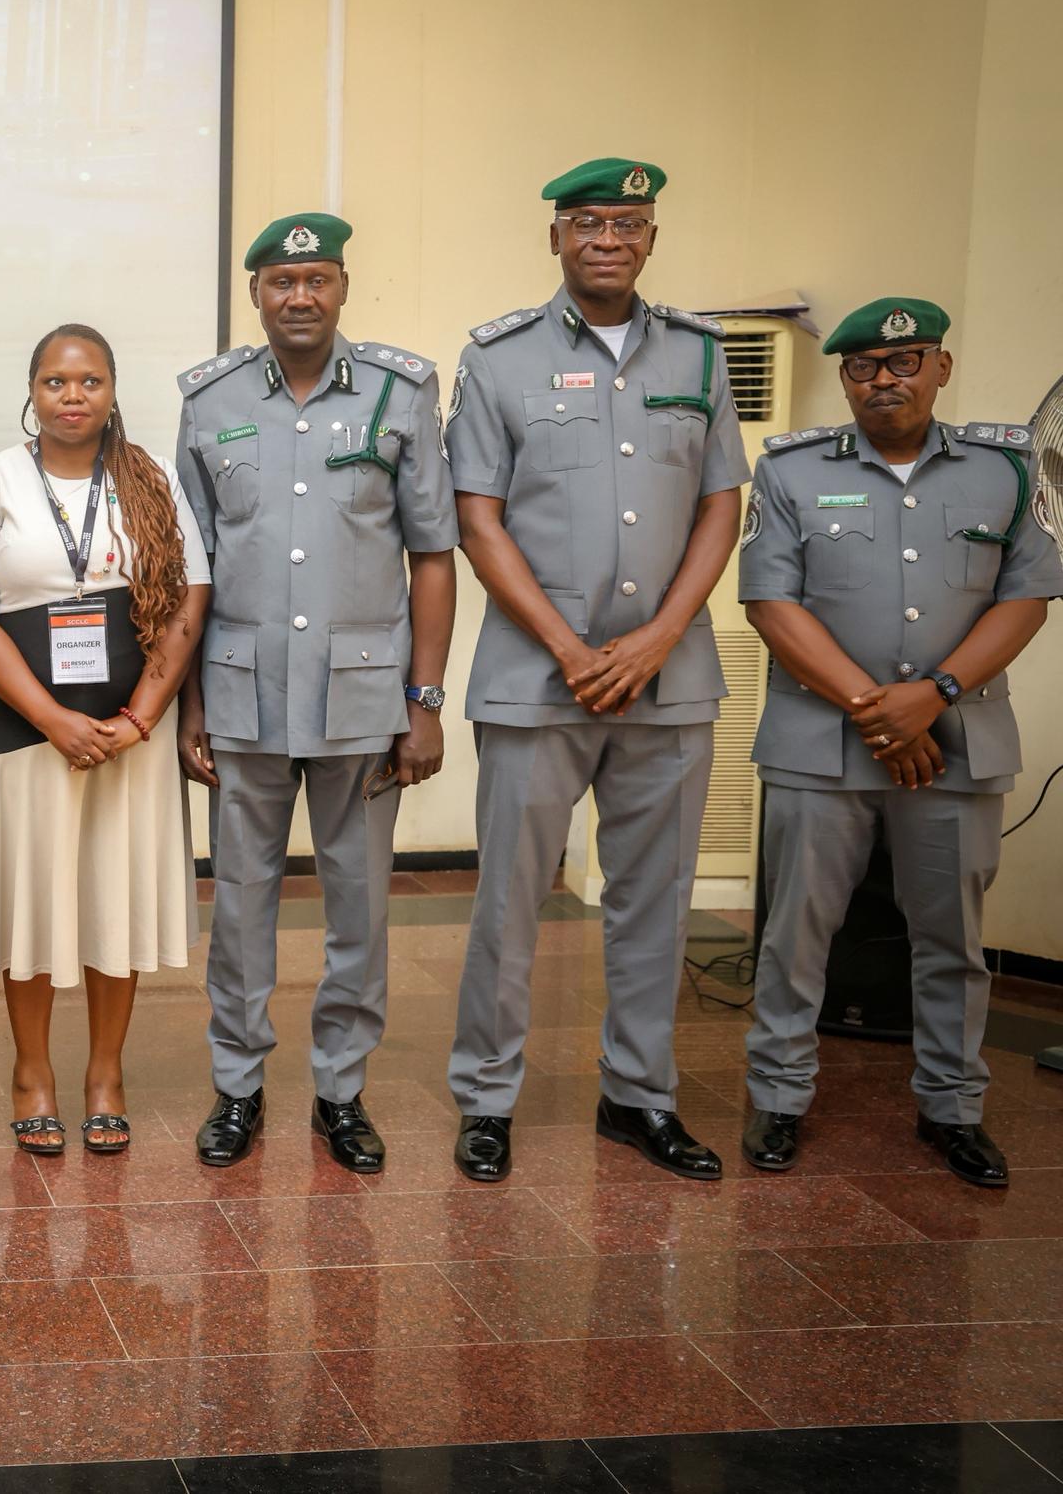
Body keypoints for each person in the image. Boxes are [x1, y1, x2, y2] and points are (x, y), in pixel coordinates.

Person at [443, 158, 747, 1184]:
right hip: (537, 678)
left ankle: (639, 1095)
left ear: (651, 236)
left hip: (669, 677)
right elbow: (476, 516)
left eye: (626, 222)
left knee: (655, 900)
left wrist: (661, 635)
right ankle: (487, 1098)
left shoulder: (700, 355)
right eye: (586, 223)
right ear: (556, 238)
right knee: (509, 900)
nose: (606, 239)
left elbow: (721, 504)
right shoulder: (497, 359)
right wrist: (570, 648)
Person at [736, 297, 1058, 1187]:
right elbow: (769, 602)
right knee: (796, 935)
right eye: (865, 367)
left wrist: (933, 696)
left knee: (952, 938)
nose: (885, 379)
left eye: (906, 361)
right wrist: (878, 712)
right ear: (845, 379)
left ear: (941, 368)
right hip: (818, 745)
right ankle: (778, 1099)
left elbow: (1027, 599)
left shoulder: (1007, 469)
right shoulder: (790, 471)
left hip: (956, 742)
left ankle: (953, 1109)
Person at [175, 214, 458, 1175]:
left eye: (318, 278)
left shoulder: (400, 392)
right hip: (242, 696)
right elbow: (191, 570)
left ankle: (341, 1091)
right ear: (255, 293)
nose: (300, 296)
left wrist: (425, 701)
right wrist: (191, 706)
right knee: (240, 907)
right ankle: (238, 1088)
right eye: (282, 281)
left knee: (359, 909)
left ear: (342, 287)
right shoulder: (209, 400)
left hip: (363, 703)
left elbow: (432, 554)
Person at [0, 325, 209, 1154]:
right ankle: (32, 1073)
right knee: (32, 899)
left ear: (113, 391)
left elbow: (189, 601)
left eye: (90, 380)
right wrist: (52, 719)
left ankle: (104, 1074)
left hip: (132, 736)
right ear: (33, 391)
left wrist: (140, 719)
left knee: (113, 897)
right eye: (55, 381)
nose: (73, 396)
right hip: (26, 733)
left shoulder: (152, 477)